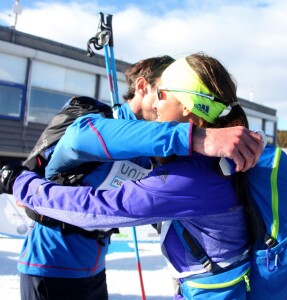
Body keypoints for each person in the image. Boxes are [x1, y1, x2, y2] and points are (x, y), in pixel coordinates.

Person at [11, 52, 258, 299]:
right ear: (142, 87)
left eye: (166, 95)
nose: (160, 104)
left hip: (92, 266)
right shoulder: (110, 124)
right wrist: (194, 135)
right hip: (50, 262)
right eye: (160, 93)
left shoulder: (172, 156)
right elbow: (80, 139)